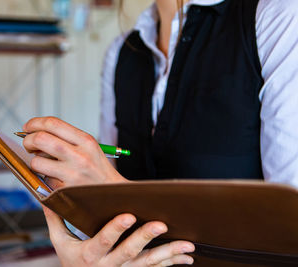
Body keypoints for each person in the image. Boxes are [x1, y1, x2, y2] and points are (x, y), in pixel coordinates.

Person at [22, 0, 298, 266]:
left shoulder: (279, 18)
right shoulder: (121, 52)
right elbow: (106, 228)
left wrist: (117, 190)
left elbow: (290, 230)